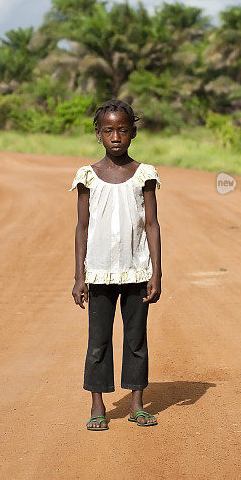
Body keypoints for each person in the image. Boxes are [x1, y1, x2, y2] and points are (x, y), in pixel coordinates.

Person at [69, 99, 162, 431]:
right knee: (99, 341)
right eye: (108, 130)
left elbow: (152, 224)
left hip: (137, 270)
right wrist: (80, 276)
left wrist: (156, 272)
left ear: (133, 132)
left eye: (123, 130)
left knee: (136, 338)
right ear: (98, 134)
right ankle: (98, 406)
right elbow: (82, 227)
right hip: (100, 271)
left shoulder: (144, 175)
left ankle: (137, 403)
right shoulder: (88, 177)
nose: (116, 137)